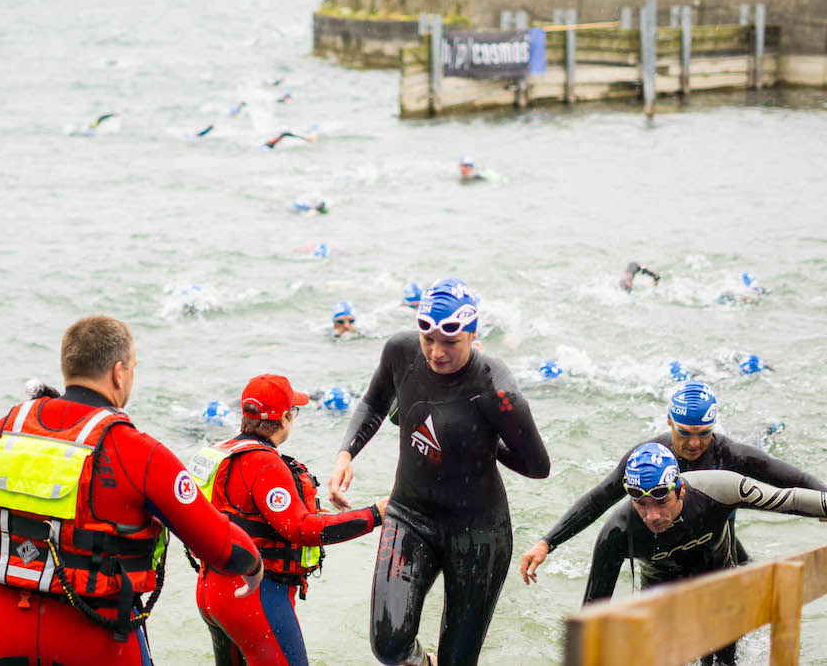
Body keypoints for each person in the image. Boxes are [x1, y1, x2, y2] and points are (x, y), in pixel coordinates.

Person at [0, 315, 262, 666]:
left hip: (5, 634)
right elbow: (215, 543)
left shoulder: (5, 431)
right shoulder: (137, 450)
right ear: (118, 372)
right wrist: (252, 563)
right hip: (98, 638)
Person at [328, 277, 550, 666]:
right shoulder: (401, 351)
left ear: (473, 334)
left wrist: (486, 442)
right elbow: (374, 402)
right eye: (427, 338)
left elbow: (538, 467)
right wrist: (346, 454)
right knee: (389, 645)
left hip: (479, 533)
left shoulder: (497, 390)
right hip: (410, 515)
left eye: (450, 342)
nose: (436, 351)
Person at [520, 381, 827, 588]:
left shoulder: (730, 454)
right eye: (685, 433)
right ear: (669, 422)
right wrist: (548, 541)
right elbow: (598, 499)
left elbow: (795, 482)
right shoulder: (646, 461)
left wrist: (823, 501)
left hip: (716, 549)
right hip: (661, 564)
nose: (695, 443)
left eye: (704, 433)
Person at [190, 374, 387, 666]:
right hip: (255, 597)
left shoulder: (221, 453)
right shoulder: (265, 462)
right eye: (293, 411)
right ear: (284, 418)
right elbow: (301, 530)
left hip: (212, 591)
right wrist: (376, 514)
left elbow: (240, 515)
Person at [580, 443, 827, 665]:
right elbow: (592, 615)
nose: (652, 516)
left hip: (722, 597)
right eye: (641, 504)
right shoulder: (618, 531)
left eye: (661, 501)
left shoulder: (718, 488)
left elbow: (789, 499)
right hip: (663, 607)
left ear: (681, 490)